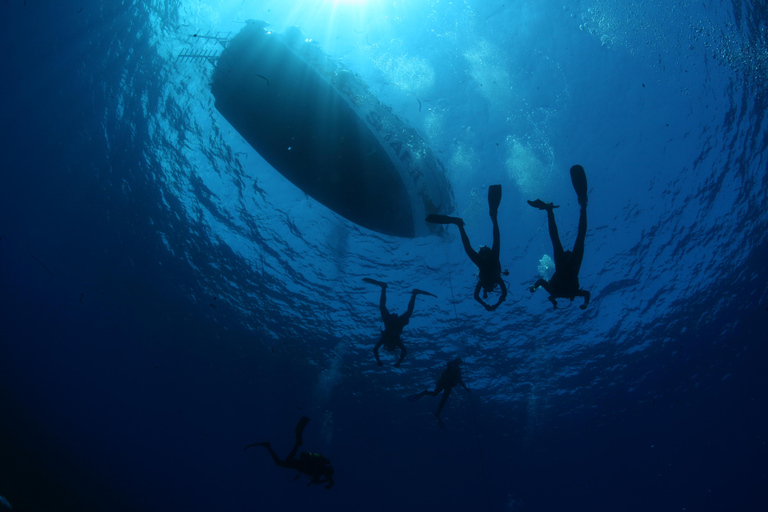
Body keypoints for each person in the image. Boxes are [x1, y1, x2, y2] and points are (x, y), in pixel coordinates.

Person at [426, 185, 508, 311]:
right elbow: (501, 294)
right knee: (472, 248)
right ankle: (469, 223)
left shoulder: (487, 281)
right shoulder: (495, 279)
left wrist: (490, 305)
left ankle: (480, 220)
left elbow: (481, 295)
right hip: (490, 260)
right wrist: (491, 305)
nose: (490, 288)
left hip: (487, 261)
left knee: (490, 242)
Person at [528, 164, 591, 310]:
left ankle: (581, 208)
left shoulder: (563, 293)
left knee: (578, 237)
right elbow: (543, 284)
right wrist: (534, 287)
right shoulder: (558, 293)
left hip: (569, 265)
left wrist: (535, 287)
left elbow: (542, 284)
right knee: (560, 240)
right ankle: (577, 208)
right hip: (570, 266)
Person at [244, 416, 335, 490]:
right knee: (281, 462)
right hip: (298, 464)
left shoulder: (319, 472)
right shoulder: (319, 471)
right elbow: (318, 481)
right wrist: (327, 481)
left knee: (279, 462)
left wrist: (328, 481)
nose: (325, 475)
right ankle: (293, 444)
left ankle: (269, 446)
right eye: (326, 474)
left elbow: (318, 481)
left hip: (298, 464)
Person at [363, 278, 435, 368]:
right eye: (392, 348)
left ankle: (411, 293)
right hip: (395, 323)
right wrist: (398, 363)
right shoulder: (395, 341)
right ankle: (412, 294)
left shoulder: (386, 339)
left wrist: (380, 361)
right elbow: (403, 352)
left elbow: (375, 349)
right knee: (392, 309)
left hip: (390, 322)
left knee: (386, 308)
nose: (391, 346)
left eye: (389, 347)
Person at [407, 358, 469, 428]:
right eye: (459, 362)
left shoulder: (457, 370)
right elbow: (449, 365)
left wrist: (465, 388)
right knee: (435, 394)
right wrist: (465, 388)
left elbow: (459, 380)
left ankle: (438, 412)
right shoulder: (451, 365)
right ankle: (423, 394)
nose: (459, 364)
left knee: (443, 399)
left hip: (448, 385)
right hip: (443, 383)